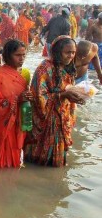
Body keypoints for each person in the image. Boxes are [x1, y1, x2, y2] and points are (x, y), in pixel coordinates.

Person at [26, 36, 82, 167]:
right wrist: (62, 95)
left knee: (58, 162)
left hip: (62, 117)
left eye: (73, 52)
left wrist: (78, 96)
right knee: (42, 161)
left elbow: (68, 91)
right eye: (67, 52)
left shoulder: (69, 68)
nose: (71, 56)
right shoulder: (44, 68)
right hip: (48, 119)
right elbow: (38, 96)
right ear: (57, 52)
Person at [0, 39, 32, 168]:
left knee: (15, 158)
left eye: (24, 55)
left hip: (18, 122)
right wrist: (16, 100)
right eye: (18, 55)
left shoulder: (23, 75)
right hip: (3, 124)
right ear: (7, 55)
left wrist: (28, 97)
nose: (21, 58)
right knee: (3, 161)